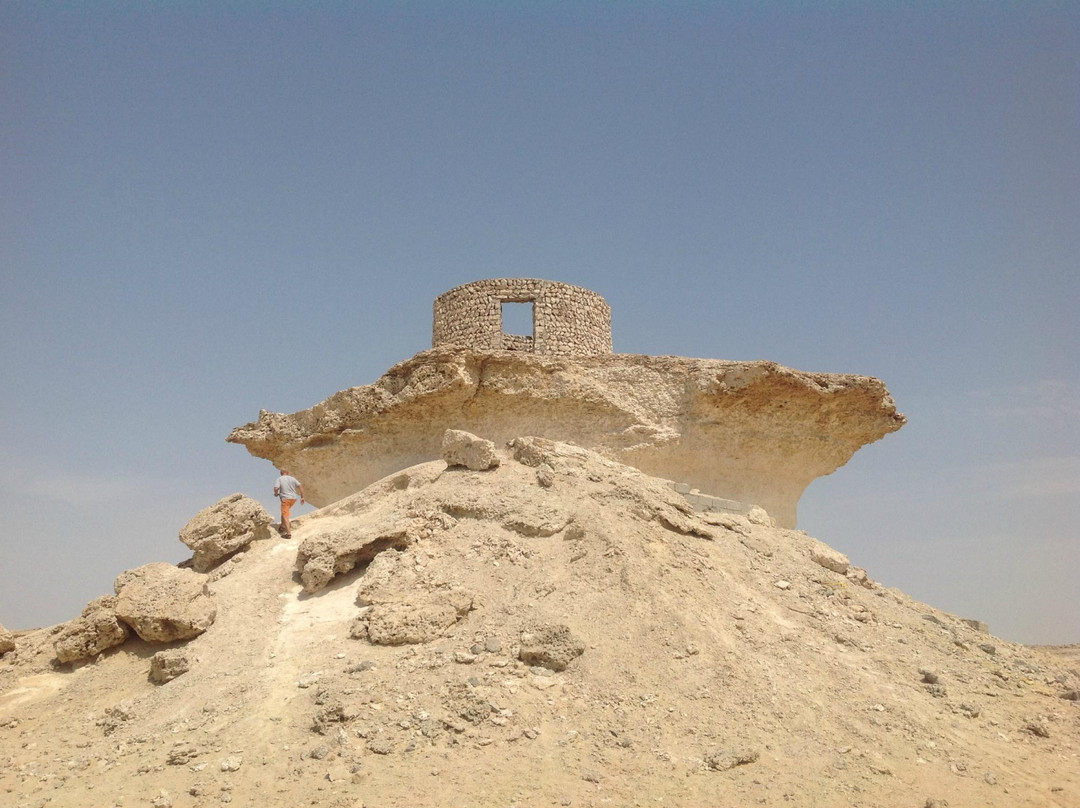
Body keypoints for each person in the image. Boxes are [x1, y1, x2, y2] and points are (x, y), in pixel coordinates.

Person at [273, 468, 305, 539]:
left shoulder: (280, 479)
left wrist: (276, 493)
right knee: (284, 512)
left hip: (285, 499)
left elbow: (276, 488)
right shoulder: (292, 479)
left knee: (285, 515)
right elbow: (300, 486)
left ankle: (288, 533)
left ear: (281, 473)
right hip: (293, 499)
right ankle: (282, 526)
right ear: (288, 472)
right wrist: (302, 497)